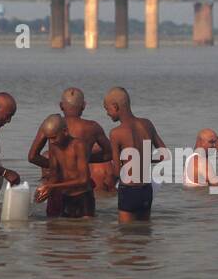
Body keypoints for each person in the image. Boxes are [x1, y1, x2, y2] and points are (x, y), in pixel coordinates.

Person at [29, 87, 114, 198]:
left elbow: (32, 157)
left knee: (55, 215)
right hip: (82, 189)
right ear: (83, 105)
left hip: (56, 186)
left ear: (61, 105)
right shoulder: (92, 127)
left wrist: (60, 165)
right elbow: (109, 154)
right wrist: (83, 159)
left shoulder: (50, 125)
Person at [104, 86, 167, 222]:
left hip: (128, 190)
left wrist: (109, 180)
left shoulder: (116, 133)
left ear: (115, 107)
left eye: (107, 109)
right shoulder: (147, 124)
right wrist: (142, 159)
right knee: (144, 234)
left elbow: (116, 171)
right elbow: (164, 154)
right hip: (146, 190)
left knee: (124, 237)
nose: (107, 113)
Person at [33, 114, 95, 218]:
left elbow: (84, 179)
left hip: (83, 196)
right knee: (65, 230)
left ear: (65, 132)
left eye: (54, 137)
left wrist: (52, 186)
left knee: (85, 230)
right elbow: (54, 174)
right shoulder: (54, 146)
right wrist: (45, 190)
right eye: (49, 139)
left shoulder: (78, 145)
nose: (51, 141)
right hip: (66, 196)